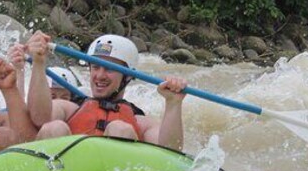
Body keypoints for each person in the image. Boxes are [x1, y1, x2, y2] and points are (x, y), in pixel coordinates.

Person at [25, 31, 188, 150]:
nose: (100, 75)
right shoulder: (70, 108)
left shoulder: (140, 121)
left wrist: (173, 103)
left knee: (120, 129)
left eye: (109, 69)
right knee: (54, 128)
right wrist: (39, 63)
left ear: (127, 76)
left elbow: (170, 150)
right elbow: (40, 118)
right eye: (95, 67)